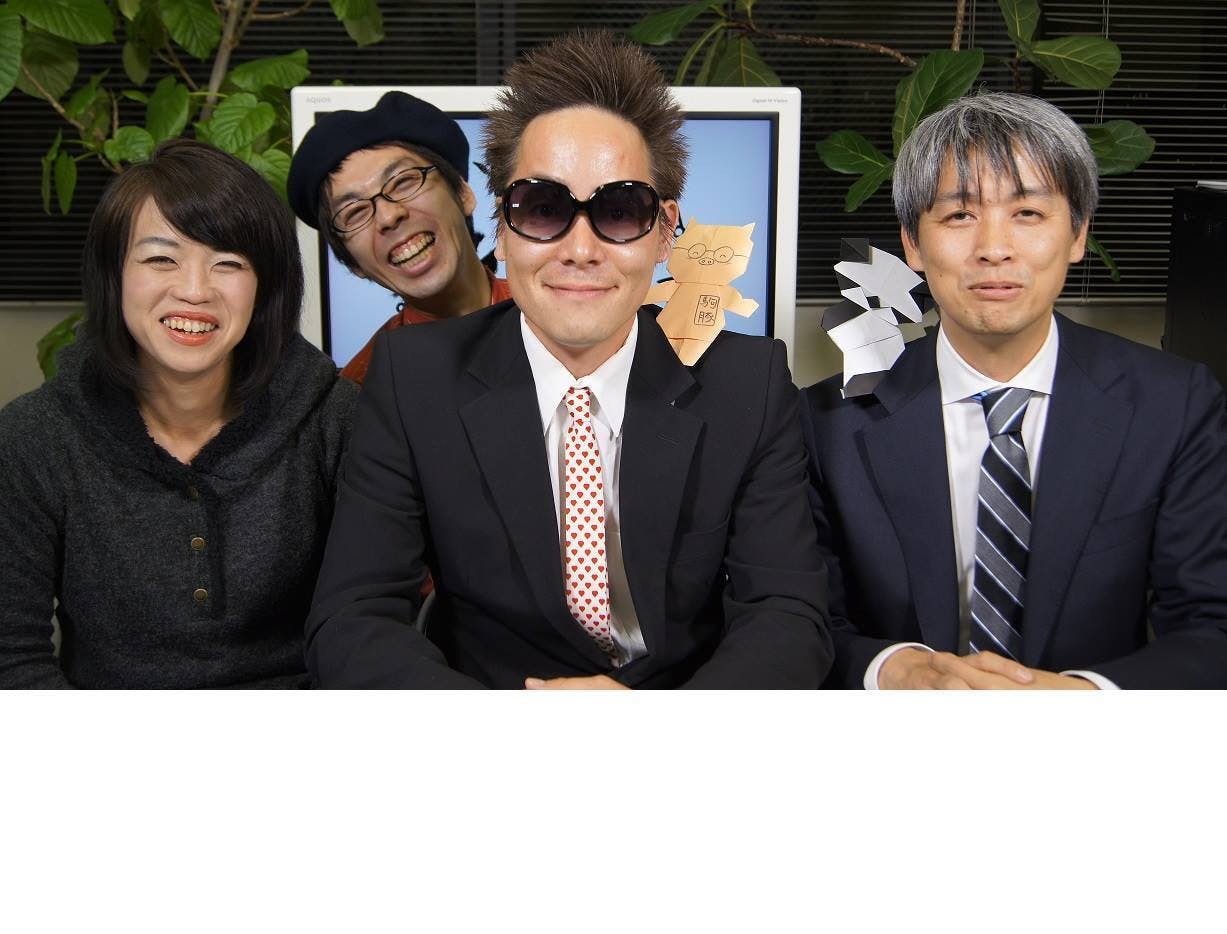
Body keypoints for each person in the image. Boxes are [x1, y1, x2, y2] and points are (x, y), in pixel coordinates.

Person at [305, 30, 832, 689]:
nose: (580, 250)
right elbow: (352, 618)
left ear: (665, 232)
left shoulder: (748, 383)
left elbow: (786, 614)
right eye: (543, 208)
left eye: (620, 210)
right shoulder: (412, 378)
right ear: (502, 227)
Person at [801, 92, 1227, 689]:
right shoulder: (827, 421)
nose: (994, 248)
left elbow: (1212, 624)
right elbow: (801, 619)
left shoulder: (1174, 405)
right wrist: (895, 672)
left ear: (1077, 235)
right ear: (912, 244)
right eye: (959, 216)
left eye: (1027, 213)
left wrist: (1080, 697)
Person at [0, 140, 358, 689]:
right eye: (160, 259)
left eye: (228, 264)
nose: (194, 290)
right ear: (114, 273)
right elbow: (12, 658)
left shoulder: (337, 420)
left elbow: (370, 626)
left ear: (265, 288)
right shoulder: (33, 440)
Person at [287, 90, 510, 384]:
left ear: (463, 194)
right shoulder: (361, 393)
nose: (388, 216)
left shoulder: (557, 317)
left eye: (404, 182)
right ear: (353, 264)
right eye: (354, 212)